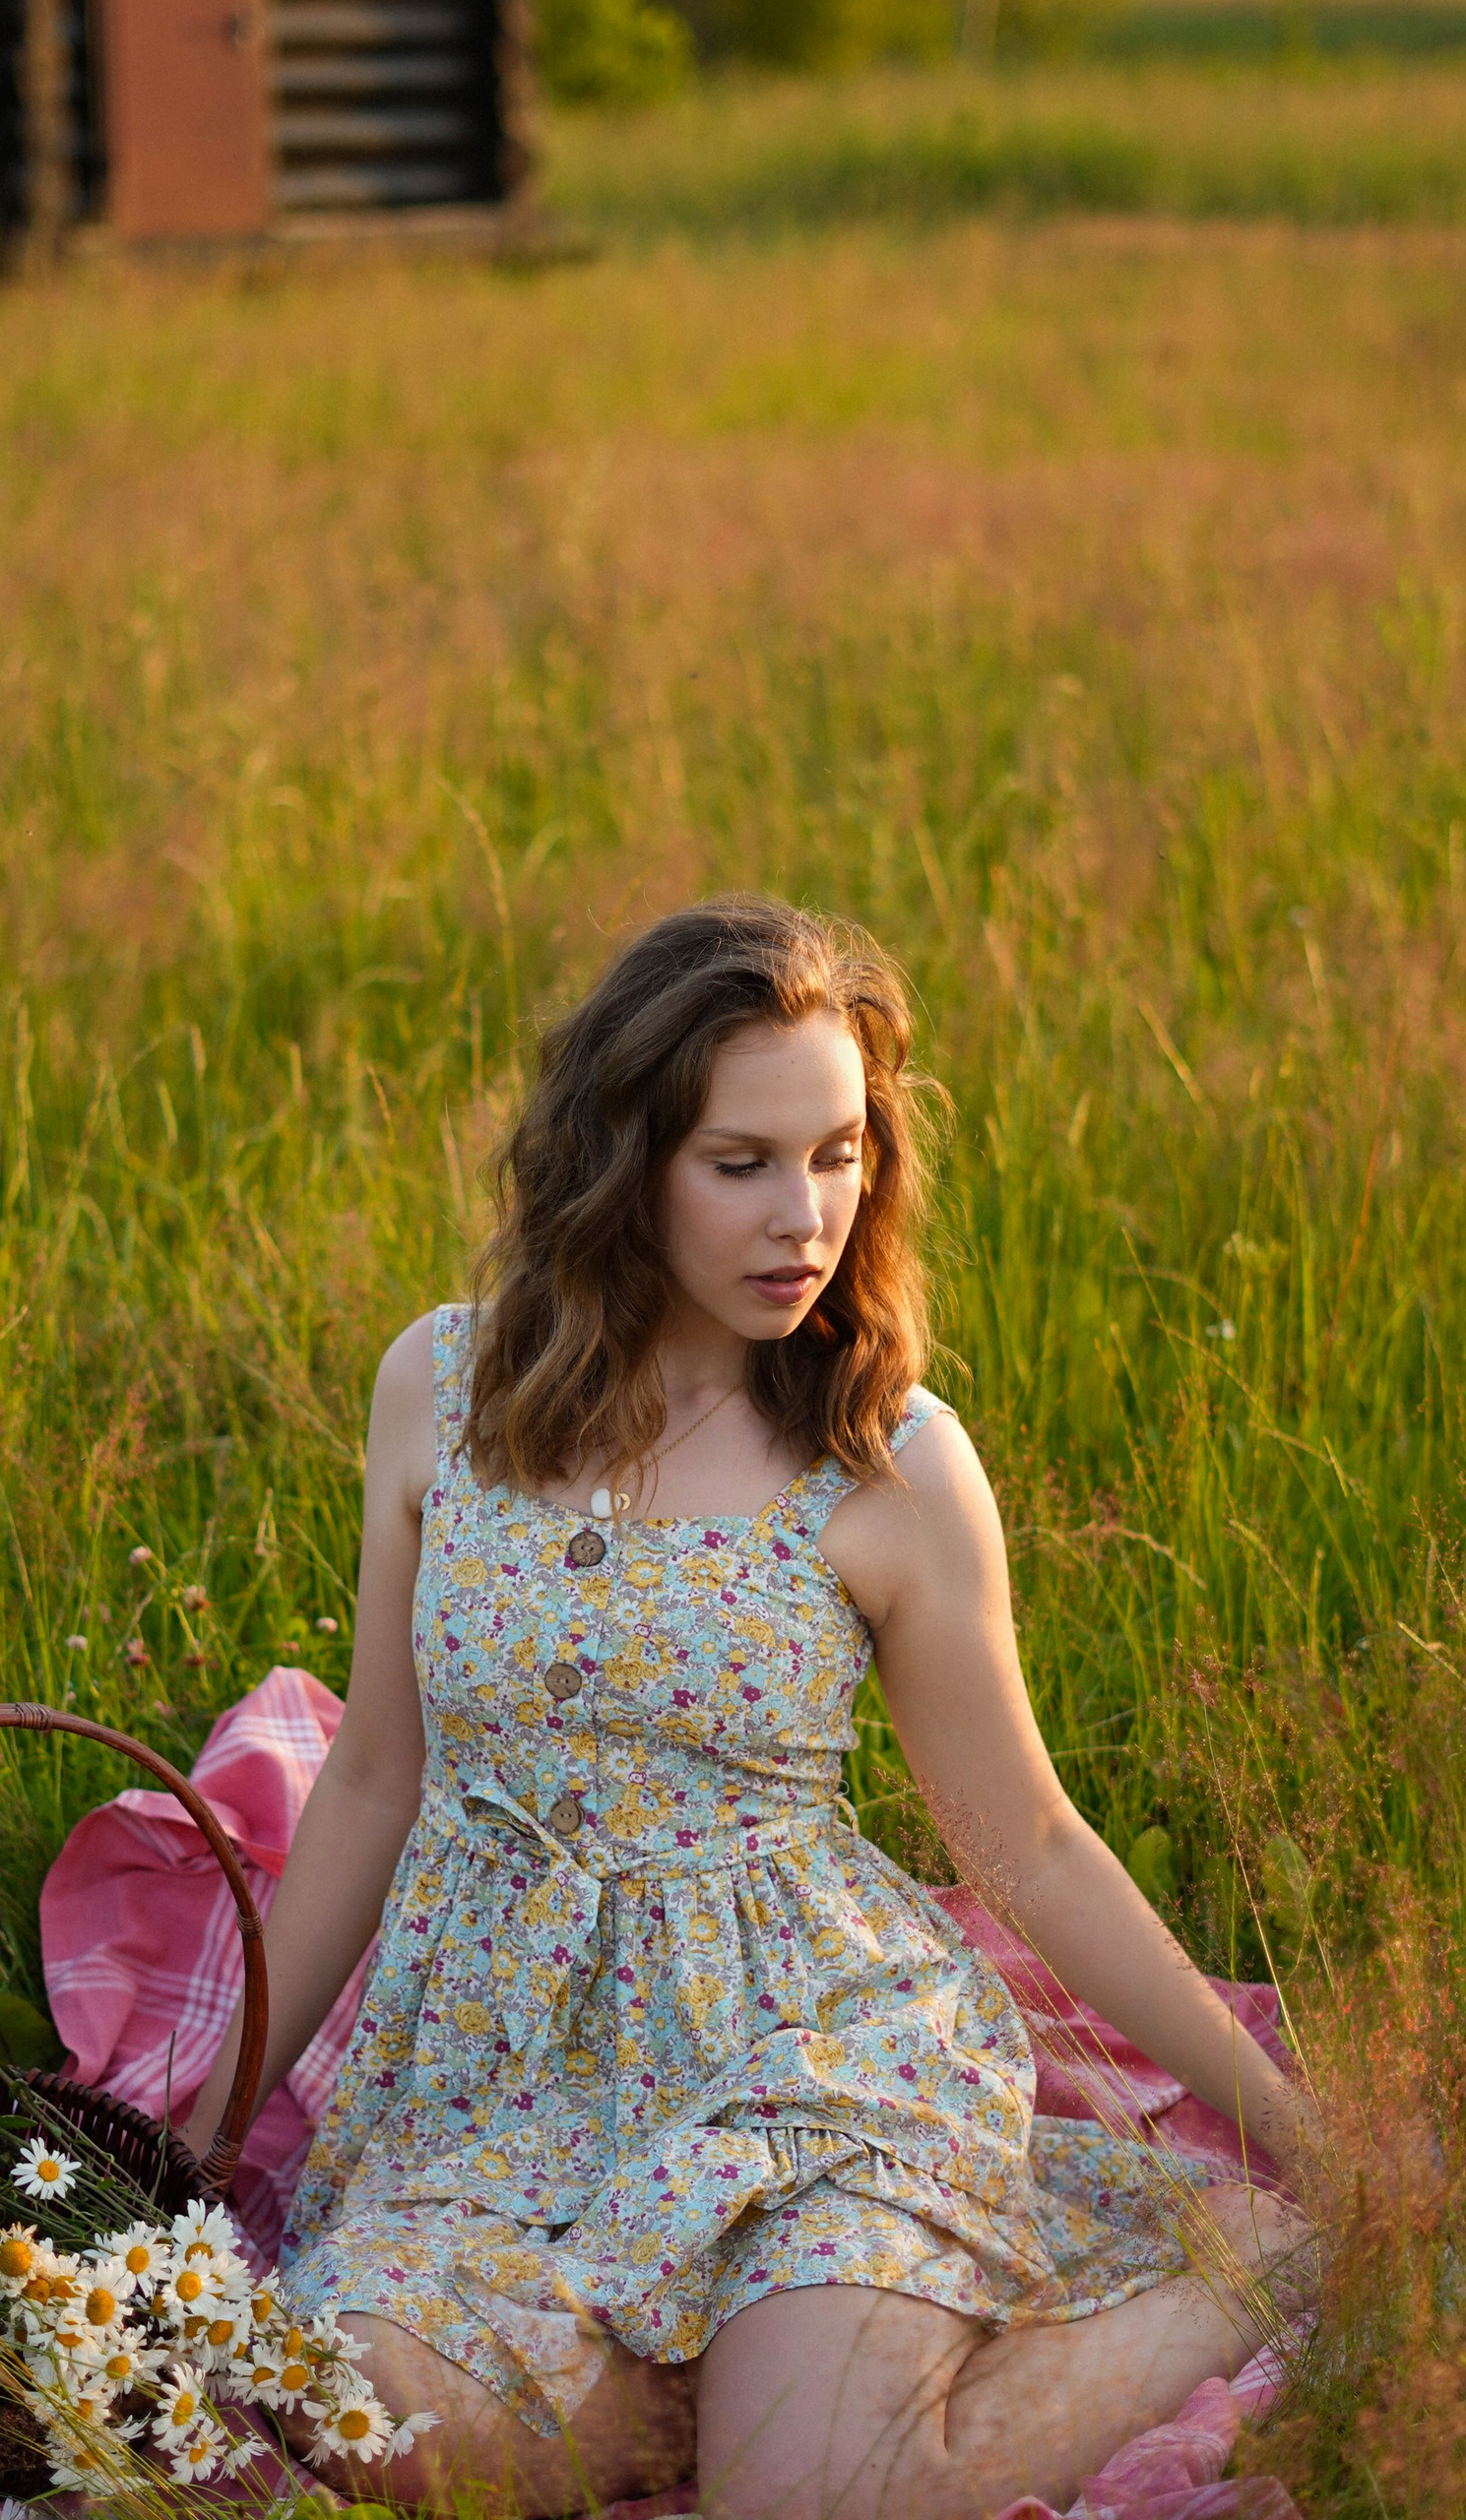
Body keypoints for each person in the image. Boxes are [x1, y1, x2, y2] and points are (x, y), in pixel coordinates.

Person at [178, 896, 1319, 2519]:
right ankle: (714, 2396)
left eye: (842, 1154)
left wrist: (1288, 2122)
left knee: (814, 2506)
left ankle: (1253, 2270)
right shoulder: (439, 1386)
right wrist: (189, 2135)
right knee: (348, 2422)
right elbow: (369, 1779)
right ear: (621, 1162)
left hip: (801, 2051)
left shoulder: (886, 1461)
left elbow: (1036, 1845)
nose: (808, 1217)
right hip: (500, 2076)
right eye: (743, 1163)